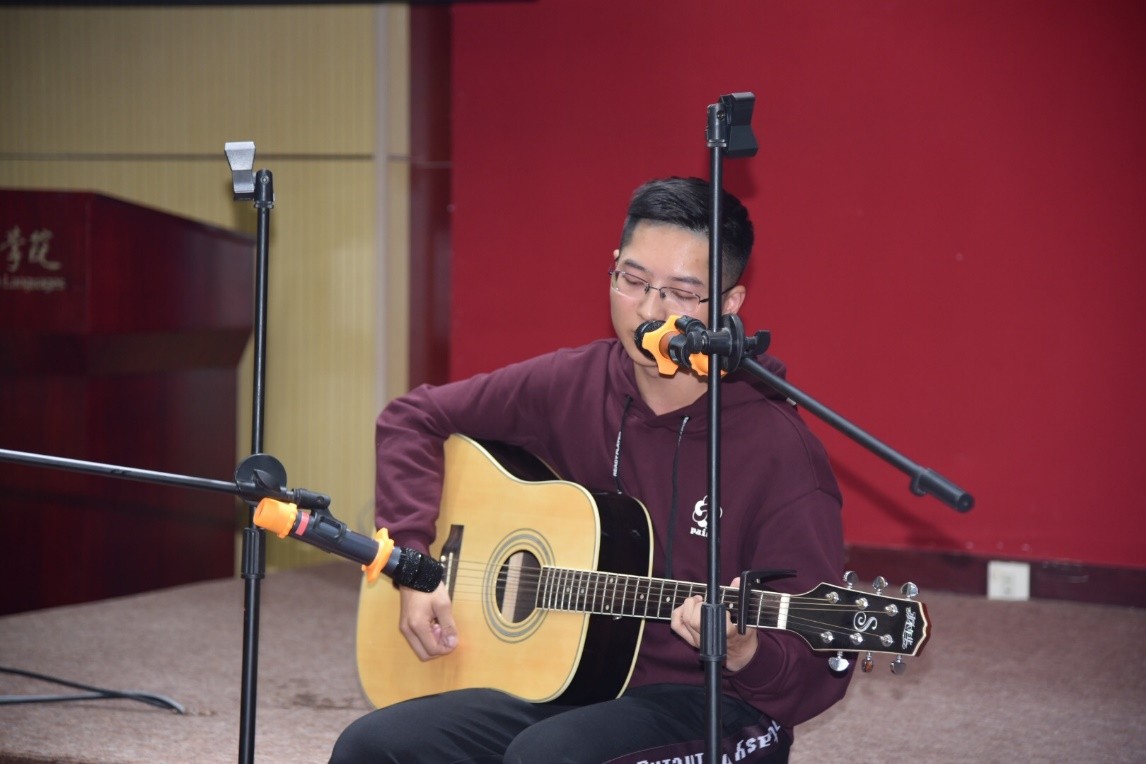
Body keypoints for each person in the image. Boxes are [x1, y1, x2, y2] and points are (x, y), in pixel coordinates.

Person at [331, 177, 852, 763]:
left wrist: (744, 650)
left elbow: (818, 668)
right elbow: (413, 418)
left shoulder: (780, 451)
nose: (649, 311)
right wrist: (414, 564)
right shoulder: (576, 381)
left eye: (682, 293)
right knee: (372, 747)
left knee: (548, 757)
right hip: (573, 681)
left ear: (729, 305)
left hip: (715, 706)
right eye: (633, 280)